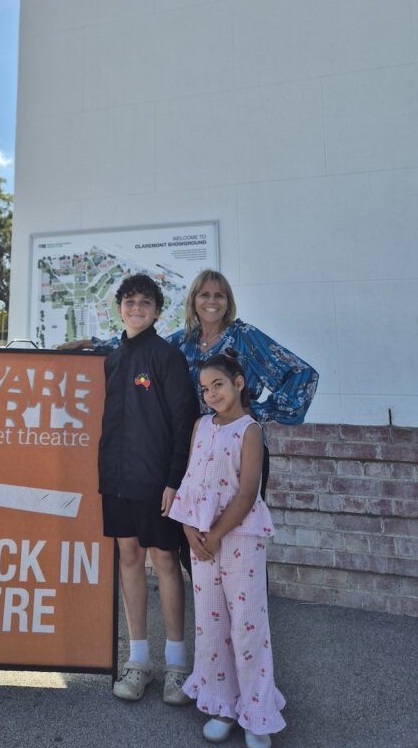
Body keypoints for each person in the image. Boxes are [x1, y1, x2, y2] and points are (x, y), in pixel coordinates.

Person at [62, 269, 319, 496]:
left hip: (237, 444)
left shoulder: (245, 337)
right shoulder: (184, 340)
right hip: (197, 446)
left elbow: (302, 374)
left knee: (235, 524)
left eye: (219, 296)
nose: (211, 301)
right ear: (194, 301)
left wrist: (258, 411)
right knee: (196, 524)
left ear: (228, 302)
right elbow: (139, 346)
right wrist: (90, 344)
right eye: (204, 295)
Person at [169, 351, 285, 748]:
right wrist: (188, 528)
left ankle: (257, 712)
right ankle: (222, 705)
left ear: (238, 382)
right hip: (200, 539)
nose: (211, 394)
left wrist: (217, 534)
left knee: (248, 627)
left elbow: (248, 492)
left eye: (218, 384)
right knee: (210, 624)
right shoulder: (201, 426)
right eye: (205, 389)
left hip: (238, 538)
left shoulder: (249, 430)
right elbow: (190, 480)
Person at [98, 273, 199, 705]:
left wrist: (174, 480)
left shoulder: (166, 357)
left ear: (157, 311)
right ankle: (138, 661)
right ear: (119, 308)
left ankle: (177, 665)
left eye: (145, 302)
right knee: (129, 559)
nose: (136, 308)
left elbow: (184, 422)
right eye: (129, 301)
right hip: (116, 480)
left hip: (156, 483)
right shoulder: (113, 358)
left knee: (166, 561)